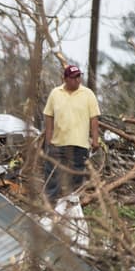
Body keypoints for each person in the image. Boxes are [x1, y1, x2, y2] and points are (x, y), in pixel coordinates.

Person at [42, 64, 100, 201]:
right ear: (65, 78)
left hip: (79, 143)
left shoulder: (88, 94)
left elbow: (94, 119)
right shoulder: (55, 93)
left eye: (79, 77)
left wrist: (95, 140)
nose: (77, 80)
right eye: (74, 77)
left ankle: (73, 204)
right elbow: (48, 116)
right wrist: (48, 140)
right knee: (53, 175)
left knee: (76, 176)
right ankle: (49, 204)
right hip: (58, 142)